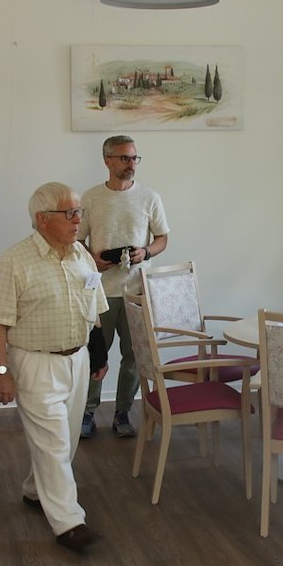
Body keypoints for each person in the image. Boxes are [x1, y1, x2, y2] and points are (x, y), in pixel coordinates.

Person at [0, 182, 109, 551]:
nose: (77, 220)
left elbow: (95, 308)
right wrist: (2, 373)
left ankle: (35, 490)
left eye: (79, 212)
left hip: (77, 359)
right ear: (42, 219)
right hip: (35, 364)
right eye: (69, 213)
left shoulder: (82, 255)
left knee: (65, 440)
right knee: (54, 443)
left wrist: (98, 353)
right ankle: (69, 522)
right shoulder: (13, 262)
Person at [77, 135, 169, 439]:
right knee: (96, 355)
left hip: (136, 292)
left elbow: (162, 238)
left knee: (133, 356)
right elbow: (77, 240)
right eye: (124, 158)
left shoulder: (150, 197)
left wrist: (146, 253)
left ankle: (123, 413)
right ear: (107, 160)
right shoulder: (90, 198)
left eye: (134, 158)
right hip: (99, 291)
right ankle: (87, 413)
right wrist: (92, 258)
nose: (131, 164)